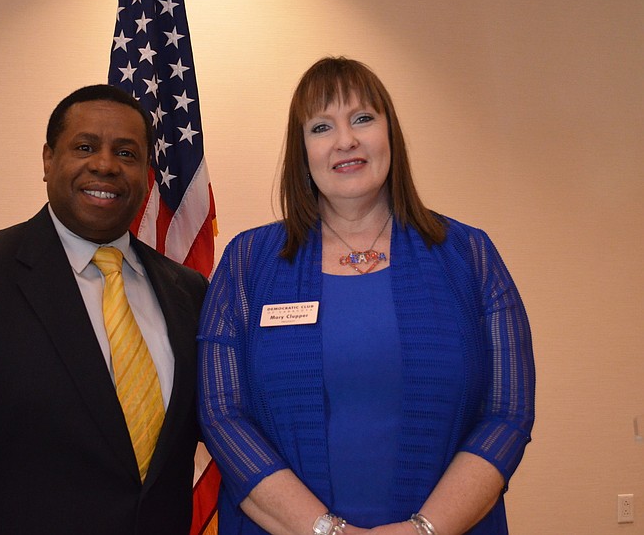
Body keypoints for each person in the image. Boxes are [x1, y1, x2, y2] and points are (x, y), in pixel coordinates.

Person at [197, 57, 535, 535]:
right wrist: (324, 531)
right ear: (302, 152)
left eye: (362, 118)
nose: (345, 141)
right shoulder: (247, 262)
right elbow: (221, 416)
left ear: (389, 134)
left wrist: (424, 530)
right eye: (321, 126)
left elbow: (508, 414)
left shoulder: (470, 255)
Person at [0, 84, 209, 534]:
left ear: (148, 174)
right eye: (85, 147)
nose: (105, 165)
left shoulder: (189, 292)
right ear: (48, 160)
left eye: (126, 153)